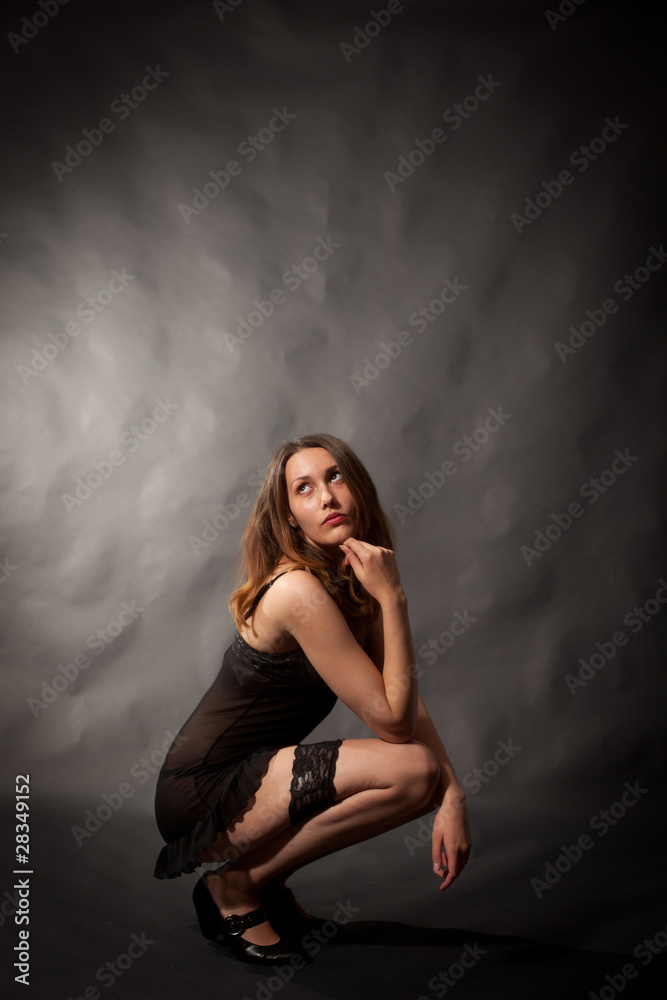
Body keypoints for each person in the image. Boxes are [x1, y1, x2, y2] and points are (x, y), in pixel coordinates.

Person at [153, 432, 471, 966]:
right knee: (415, 770)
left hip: (260, 772)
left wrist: (455, 794)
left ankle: (264, 883)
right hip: (203, 789)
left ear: (357, 488)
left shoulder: (351, 578)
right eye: (303, 488)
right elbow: (394, 724)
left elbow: (404, 701)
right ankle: (234, 886)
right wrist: (394, 599)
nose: (325, 497)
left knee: (426, 777)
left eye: (335, 477)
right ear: (290, 518)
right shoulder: (297, 590)